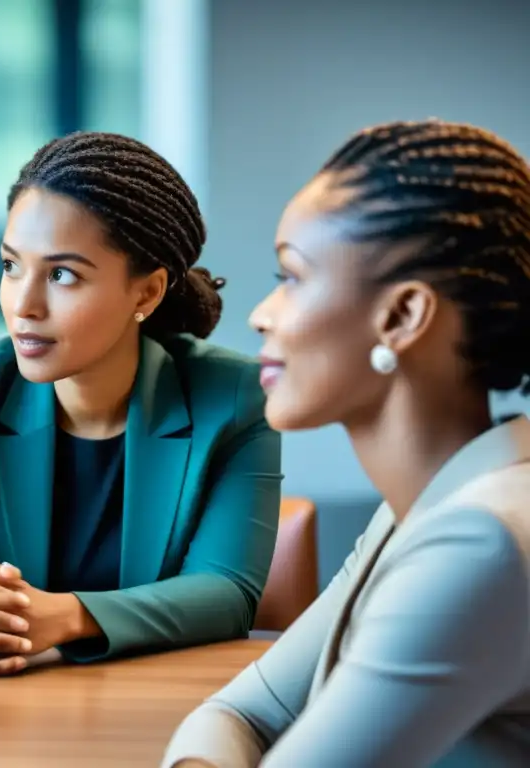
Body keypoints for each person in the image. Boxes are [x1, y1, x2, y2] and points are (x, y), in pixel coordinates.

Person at [162, 119, 530, 768]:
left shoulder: (479, 540)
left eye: (293, 277)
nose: (261, 313)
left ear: (402, 317)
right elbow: (246, 711)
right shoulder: (423, 504)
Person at [0, 131, 283, 676]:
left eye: (62, 275)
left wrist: (69, 616)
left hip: (163, 701)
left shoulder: (236, 395)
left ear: (146, 293)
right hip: (9, 699)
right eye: (11, 266)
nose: (23, 306)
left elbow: (226, 592)